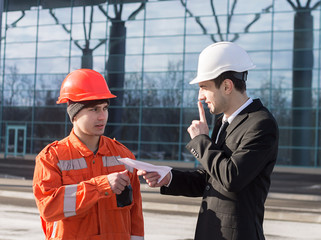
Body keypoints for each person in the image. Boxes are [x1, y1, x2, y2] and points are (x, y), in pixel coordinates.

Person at [138, 42, 279, 240]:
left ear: (227, 86)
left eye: (204, 87)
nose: (200, 96)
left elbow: (231, 178)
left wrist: (201, 140)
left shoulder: (261, 123)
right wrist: (168, 178)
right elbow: (210, 179)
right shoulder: (223, 122)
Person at [33, 69, 144, 240]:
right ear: (75, 115)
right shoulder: (51, 158)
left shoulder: (124, 155)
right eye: (93, 110)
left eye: (105, 108)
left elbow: (135, 216)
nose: (102, 117)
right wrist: (101, 186)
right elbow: (48, 208)